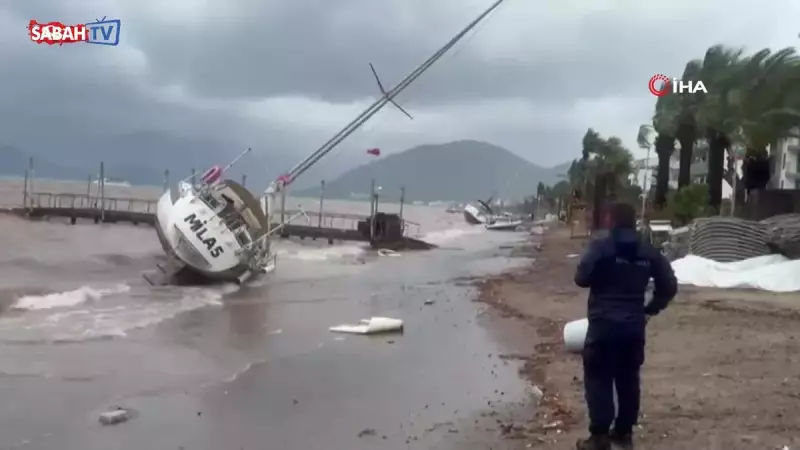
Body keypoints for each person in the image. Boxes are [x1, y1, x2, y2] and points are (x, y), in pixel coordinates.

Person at [573, 202, 678, 450]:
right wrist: (650, 309)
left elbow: (581, 278)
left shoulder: (601, 247)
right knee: (628, 379)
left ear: (610, 220)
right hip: (633, 327)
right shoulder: (647, 251)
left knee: (598, 378)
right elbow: (669, 286)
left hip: (603, 326)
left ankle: (599, 437)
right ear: (634, 222)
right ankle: (623, 432)